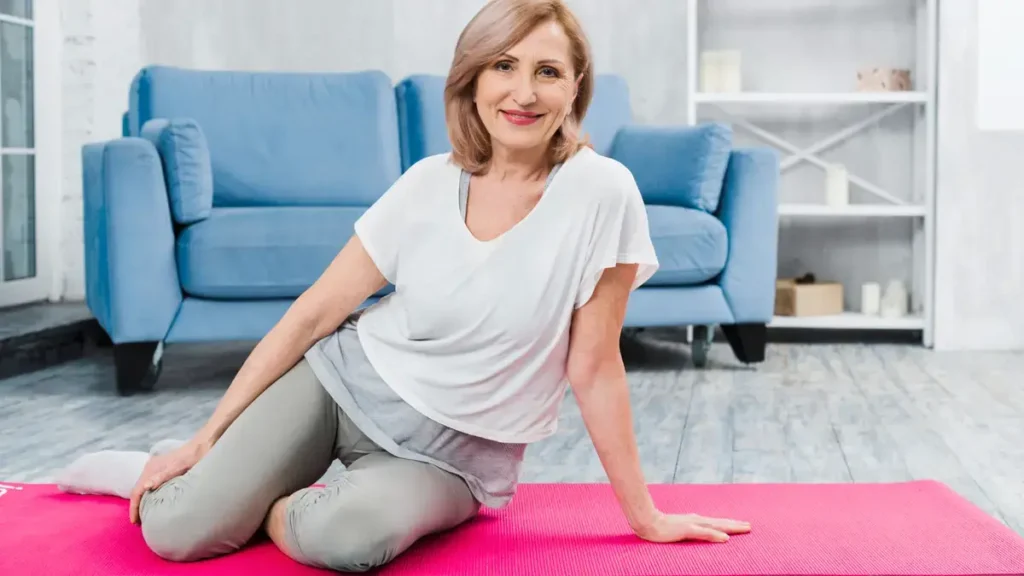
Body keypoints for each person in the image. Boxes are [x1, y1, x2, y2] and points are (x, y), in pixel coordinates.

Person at [55, 0, 751, 572]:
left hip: (454, 457)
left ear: (575, 88)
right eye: (503, 66)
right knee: (178, 532)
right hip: (342, 386)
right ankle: (175, 475)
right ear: (473, 80)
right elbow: (314, 314)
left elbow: (595, 367)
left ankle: (267, 500)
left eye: (547, 71)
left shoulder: (604, 192)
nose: (523, 91)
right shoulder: (426, 185)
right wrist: (203, 441)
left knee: (345, 539)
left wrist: (645, 516)